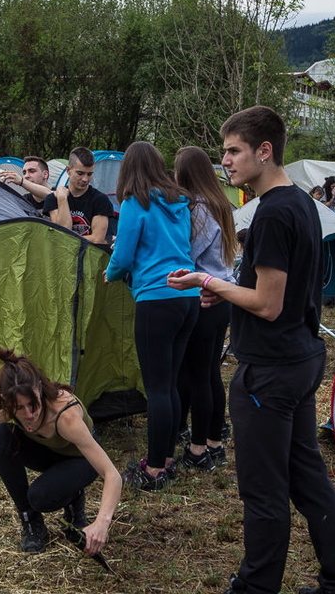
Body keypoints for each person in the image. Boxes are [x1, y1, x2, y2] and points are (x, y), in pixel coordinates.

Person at [168, 106, 335, 594]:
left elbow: (268, 304)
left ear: (264, 150)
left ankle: (255, 588)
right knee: (305, 476)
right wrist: (227, 290)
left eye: (233, 150)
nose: (226, 161)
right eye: (224, 151)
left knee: (263, 491)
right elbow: (274, 288)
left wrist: (207, 279)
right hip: (300, 356)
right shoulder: (299, 203)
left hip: (271, 370)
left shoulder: (274, 212)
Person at [0, 348, 122, 556]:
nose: (28, 414)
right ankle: (30, 520)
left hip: (80, 460)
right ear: (5, 399)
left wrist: (101, 523)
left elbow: (112, 475)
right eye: (19, 408)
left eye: (32, 404)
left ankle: (74, 495)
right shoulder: (12, 406)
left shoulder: (66, 417)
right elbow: (1, 414)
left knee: (40, 497)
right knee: (1, 436)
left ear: (39, 388)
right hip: (50, 452)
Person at [104, 141, 199, 491]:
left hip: (156, 299)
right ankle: (167, 458)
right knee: (170, 383)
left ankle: (155, 469)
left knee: (157, 388)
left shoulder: (134, 203)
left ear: (128, 169)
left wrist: (111, 274)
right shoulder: (180, 201)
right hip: (187, 296)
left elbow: (124, 254)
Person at [173, 146, 237, 472]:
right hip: (223, 298)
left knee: (198, 375)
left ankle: (198, 448)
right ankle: (215, 440)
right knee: (211, 372)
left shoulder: (198, 208)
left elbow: (189, 254)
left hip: (206, 298)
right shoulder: (221, 204)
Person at [42, 147, 113, 244]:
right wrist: (62, 199)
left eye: (89, 174)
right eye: (80, 173)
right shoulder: (53, 198)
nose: (85, 179)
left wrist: (68, 239)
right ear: (68, 170)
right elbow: (62, 231)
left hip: (88, 255)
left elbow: (97, 239)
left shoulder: (100, 200)